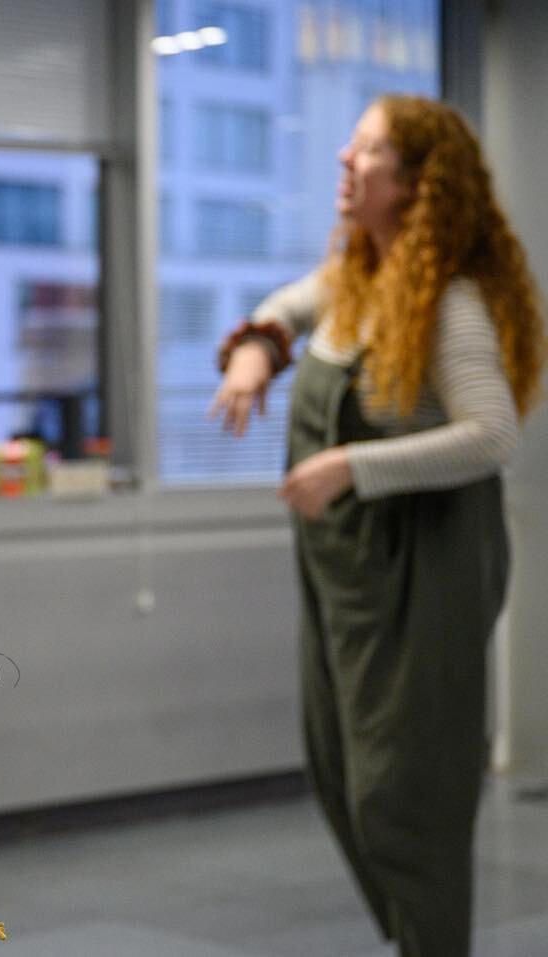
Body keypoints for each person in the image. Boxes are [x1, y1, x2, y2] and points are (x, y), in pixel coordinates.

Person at [211, 95, 544, 957]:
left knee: (408, 799)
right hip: (348, 578)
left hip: (428, 573)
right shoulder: (360, 278)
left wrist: (351, 468)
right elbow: (291, 303)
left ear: (417, 184)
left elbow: (495, 432)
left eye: (366, 151)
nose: (344, 164)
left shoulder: (449, 301)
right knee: (343, 778)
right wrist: (256, 346)